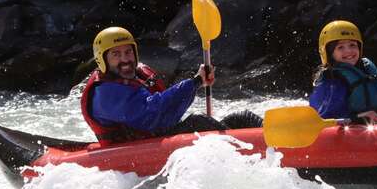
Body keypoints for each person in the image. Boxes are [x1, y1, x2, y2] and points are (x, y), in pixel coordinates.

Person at [81, 26, 262, 146]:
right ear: (102, 59)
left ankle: (277, 142)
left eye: (128, 52)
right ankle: (253, 153)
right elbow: (153, 114)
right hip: (134, 151)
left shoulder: (138, 74)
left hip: (158, 140)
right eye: (116, 55)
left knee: (241, 118)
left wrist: (197, 82)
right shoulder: (104, 94)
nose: (125, 59)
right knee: (199, 122)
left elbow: (164, 101)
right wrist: (196, 82)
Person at [309, 20, 377, 124]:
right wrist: (357, 117)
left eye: (352, 45)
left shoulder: (366, 70)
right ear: (329, 53)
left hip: (376, 127)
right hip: (349, 131)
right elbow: (326, 117)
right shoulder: (332, 80)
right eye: (340, 47)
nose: (348, 51)